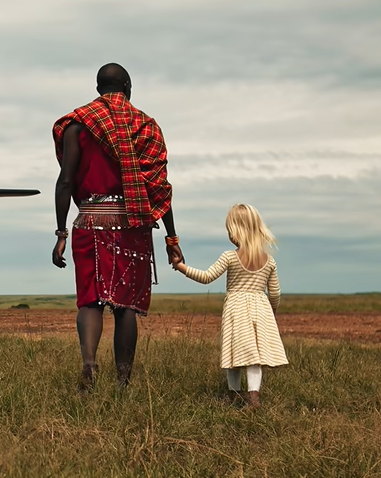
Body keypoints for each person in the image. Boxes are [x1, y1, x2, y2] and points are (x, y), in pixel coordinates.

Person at [52, 63, 183, 391]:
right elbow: (159, 188)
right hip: (132, 223)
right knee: (125, 306)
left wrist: (60, 233)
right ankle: (123, 382)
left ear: (99, 88)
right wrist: (171, 236)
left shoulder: (77, 125)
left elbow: (65, 182)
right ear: (127, 87)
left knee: (89, 301)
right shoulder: (146, 126)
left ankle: (88, 365)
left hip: (90, 222)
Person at [174, 204, 287, 409]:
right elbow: (276, 293)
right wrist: (274, 312)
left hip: (236, 309)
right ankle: (254, 398)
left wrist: (181, 267)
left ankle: (233, 398)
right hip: (261, 309)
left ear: (236, 230)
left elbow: (207, 277)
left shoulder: (230, 256)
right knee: (255, 357)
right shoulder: (269, 261)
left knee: (234, 355)